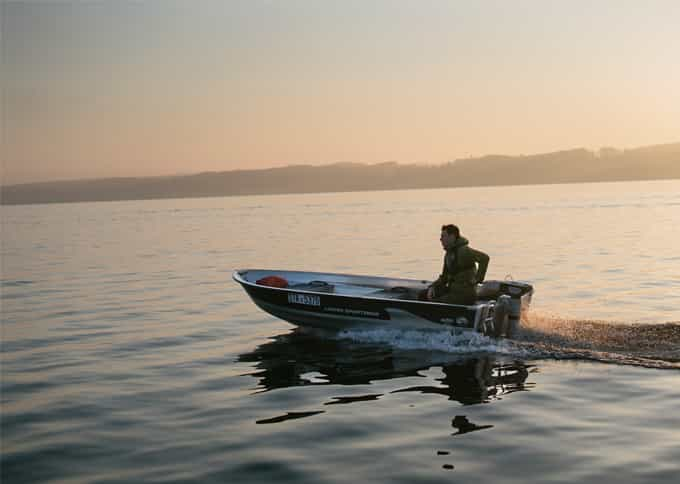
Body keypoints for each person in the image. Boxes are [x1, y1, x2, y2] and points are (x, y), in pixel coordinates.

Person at [425, 224, 489, 305]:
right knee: (424, 295)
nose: (441, 239)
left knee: (436, 302)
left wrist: (478, 279)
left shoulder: (464, 251)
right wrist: (432, 287)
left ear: (452, 237)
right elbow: (444, 277)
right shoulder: (448, 254)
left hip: (464, 295)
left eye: (443, 236)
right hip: (453, 290)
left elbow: (485, 258)